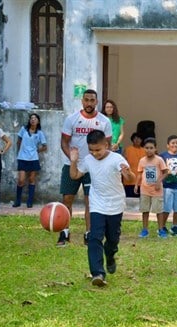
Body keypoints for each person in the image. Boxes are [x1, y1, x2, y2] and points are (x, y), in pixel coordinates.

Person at [69, 130, 134, 287]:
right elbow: (75, 175)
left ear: (106, 145)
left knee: (112, 239)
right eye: (91, 150)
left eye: (98, 150)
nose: (94, 153)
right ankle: (98, 273)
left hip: (115, 205)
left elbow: (131, 179)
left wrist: (128, 173)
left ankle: (110, 255)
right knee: (94, 237)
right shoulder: (88, 160)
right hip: (97, 205)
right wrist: (73, 161)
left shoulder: (117, 159)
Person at [58, 89, 112, 247]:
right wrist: (72, 159)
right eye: (86, 100)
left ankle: (88, 234)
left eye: (92, 100)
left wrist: (101, 163)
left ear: (96, 102)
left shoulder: (104, 122)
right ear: (82, 101)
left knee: (90, 201)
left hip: (93, 168)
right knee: (67, 199)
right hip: (72, 165)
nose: (89, 103)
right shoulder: (72, 119)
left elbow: (107, 145)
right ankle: (64, 233)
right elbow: (64, 142)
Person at [134, 138, 167, 238]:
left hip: (157, 190)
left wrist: (158, 181)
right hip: (145, 189)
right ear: (144, 148)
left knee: (159, 210)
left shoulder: (159, 160)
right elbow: (139, 174)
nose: (149, 150)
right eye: (147, 148)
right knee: (145, 210)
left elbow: (165, 172)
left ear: (155, 149)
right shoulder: (142, 161)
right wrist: (136, 184)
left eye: (151, 148)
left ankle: (161, 229)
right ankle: (145, 229)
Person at [12, 113, 47, 208]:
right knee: (21, 180)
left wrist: (36, 150)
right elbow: (18, 141)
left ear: (38, 121)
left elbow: (45, 146)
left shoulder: (39, 133)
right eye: (31, 118)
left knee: (32, 179)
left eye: (35, 118)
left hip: (33, 158)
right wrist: (21, 151)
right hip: (22, 158)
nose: (33, 120)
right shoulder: (23, 130)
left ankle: (30, 201)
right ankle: (18, 201)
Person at [159, 135, 177, 236]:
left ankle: (174, 226)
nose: (175, 145)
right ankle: (162, 226)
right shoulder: (163, 156)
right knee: (166, 208)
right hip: (167, 186)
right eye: (173, 143)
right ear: (168, 145)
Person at [122, 132, 145, 198]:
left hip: (141, 182)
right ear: (132, 139)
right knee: (129, 202)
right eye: (135, 138)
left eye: (139, 138)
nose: (137, 140)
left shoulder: (144, 151)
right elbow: (123, 165)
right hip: (129, 181)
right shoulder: (127, 149)